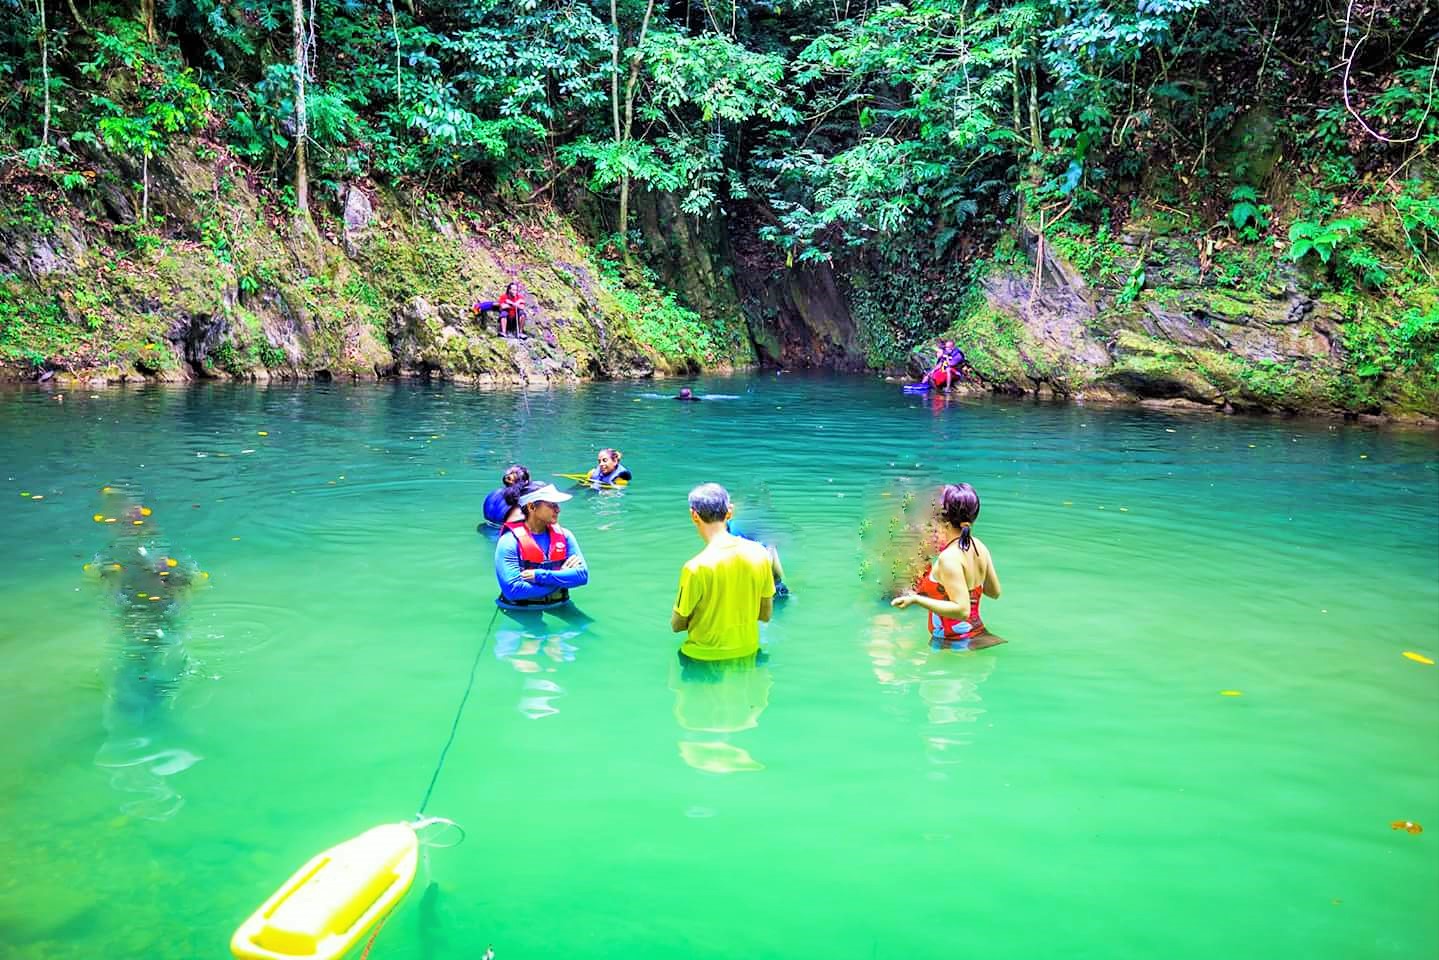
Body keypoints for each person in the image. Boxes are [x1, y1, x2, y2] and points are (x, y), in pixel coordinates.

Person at [890, 482, 1003, 650]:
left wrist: (916, 599)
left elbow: (962, 610)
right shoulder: (979, 547)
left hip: (954, 646)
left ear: (945, 523)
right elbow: (994, 592)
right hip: (981, 638)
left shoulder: (949, 559)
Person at [671, 483, 775, 663]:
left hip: (702, 660)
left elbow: (677, 624)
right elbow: (765, 615)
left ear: (694, 515)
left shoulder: (695, 567)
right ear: (730, 512)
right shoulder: (760, 554)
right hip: (747, 653)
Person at [494, 482, 588, 609]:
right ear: (532, 507)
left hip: (560, 605)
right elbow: (513, 590)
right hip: (520, 610)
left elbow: (582, 576)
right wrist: (561, 577)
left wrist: (541, 576)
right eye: (551, 505)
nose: (558, 509)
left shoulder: (565, 536)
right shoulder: (509, 541)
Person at [482, 463, 529, 528]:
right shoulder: (520, 499)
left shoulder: (492, 493)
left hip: (486, 527)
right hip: (504, 532)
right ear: (525, 482)